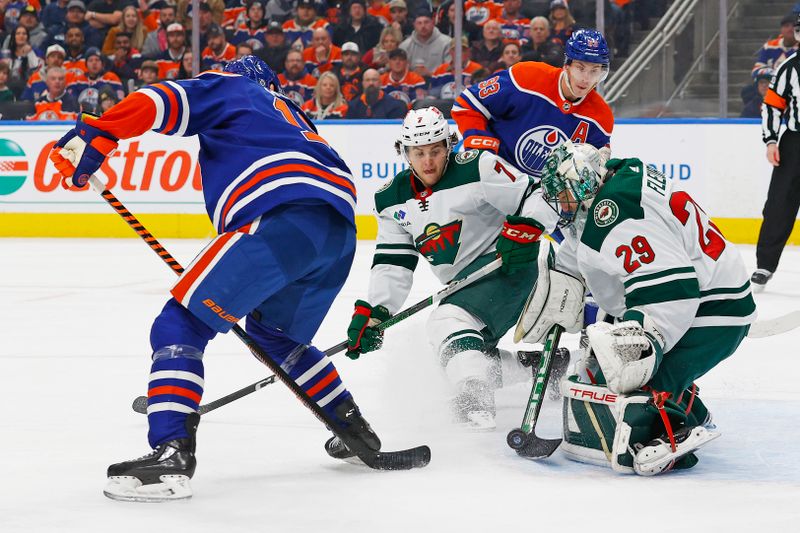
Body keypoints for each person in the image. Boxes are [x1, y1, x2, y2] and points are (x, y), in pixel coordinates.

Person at [49, 55, 381, 502]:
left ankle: (171, 452)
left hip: (280, 217)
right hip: (338, 234)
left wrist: (100, 131)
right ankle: (354, 429)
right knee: (278, 338)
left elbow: (160, 97)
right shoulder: (293, 116)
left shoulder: (232, 86)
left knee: (180, 323)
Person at [522, 141, 755, 475]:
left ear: (586, 184)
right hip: (713, 293)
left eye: (565, 194)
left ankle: (671, 435)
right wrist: (564, 275)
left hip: (712, 310)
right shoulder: (618, 178)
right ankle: (690, 410)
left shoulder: (614, 213)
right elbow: (586, 238)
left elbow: (672, 291)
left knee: (627, 386)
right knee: (602, 374)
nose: (562, 204)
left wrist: (642, 338)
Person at [345, 107, 555, 429]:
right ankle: (542, 367)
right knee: (453, 356)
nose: (428, 161)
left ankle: (475, 397)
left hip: (510, 265)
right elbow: (393, 261)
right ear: (404, 152)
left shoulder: (479, 167)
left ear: (449, 145)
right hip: (466, 286)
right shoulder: (390, 198)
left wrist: (527, 229)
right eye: (419, 153)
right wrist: (377, 310)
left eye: (435, 150)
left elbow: (536, 195)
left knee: (446, 321)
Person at [452, 29, 614, 179]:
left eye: (594, 71)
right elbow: (467, 104)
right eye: (580, 68)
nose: (586, 79)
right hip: (492, 174)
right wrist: (483, 150)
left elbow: (589, 172)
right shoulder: (526, 77)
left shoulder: (601, 118)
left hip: (536, 197)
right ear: (567, 65)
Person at [754, 14, 800, 291]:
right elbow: (771, 106)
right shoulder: (788, 68)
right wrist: (771, 141)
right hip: (794, 142)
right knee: (779, 205)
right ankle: (765, 265)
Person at [398, 11, 450, 77]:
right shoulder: (404, 46)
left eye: (426, 22)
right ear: (414, 25)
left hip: (439, 84)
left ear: (433, 23)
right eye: (419, 23)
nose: (423, 26)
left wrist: (430, 74)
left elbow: (450, 71)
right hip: (412, 84)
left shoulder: (446, 42)